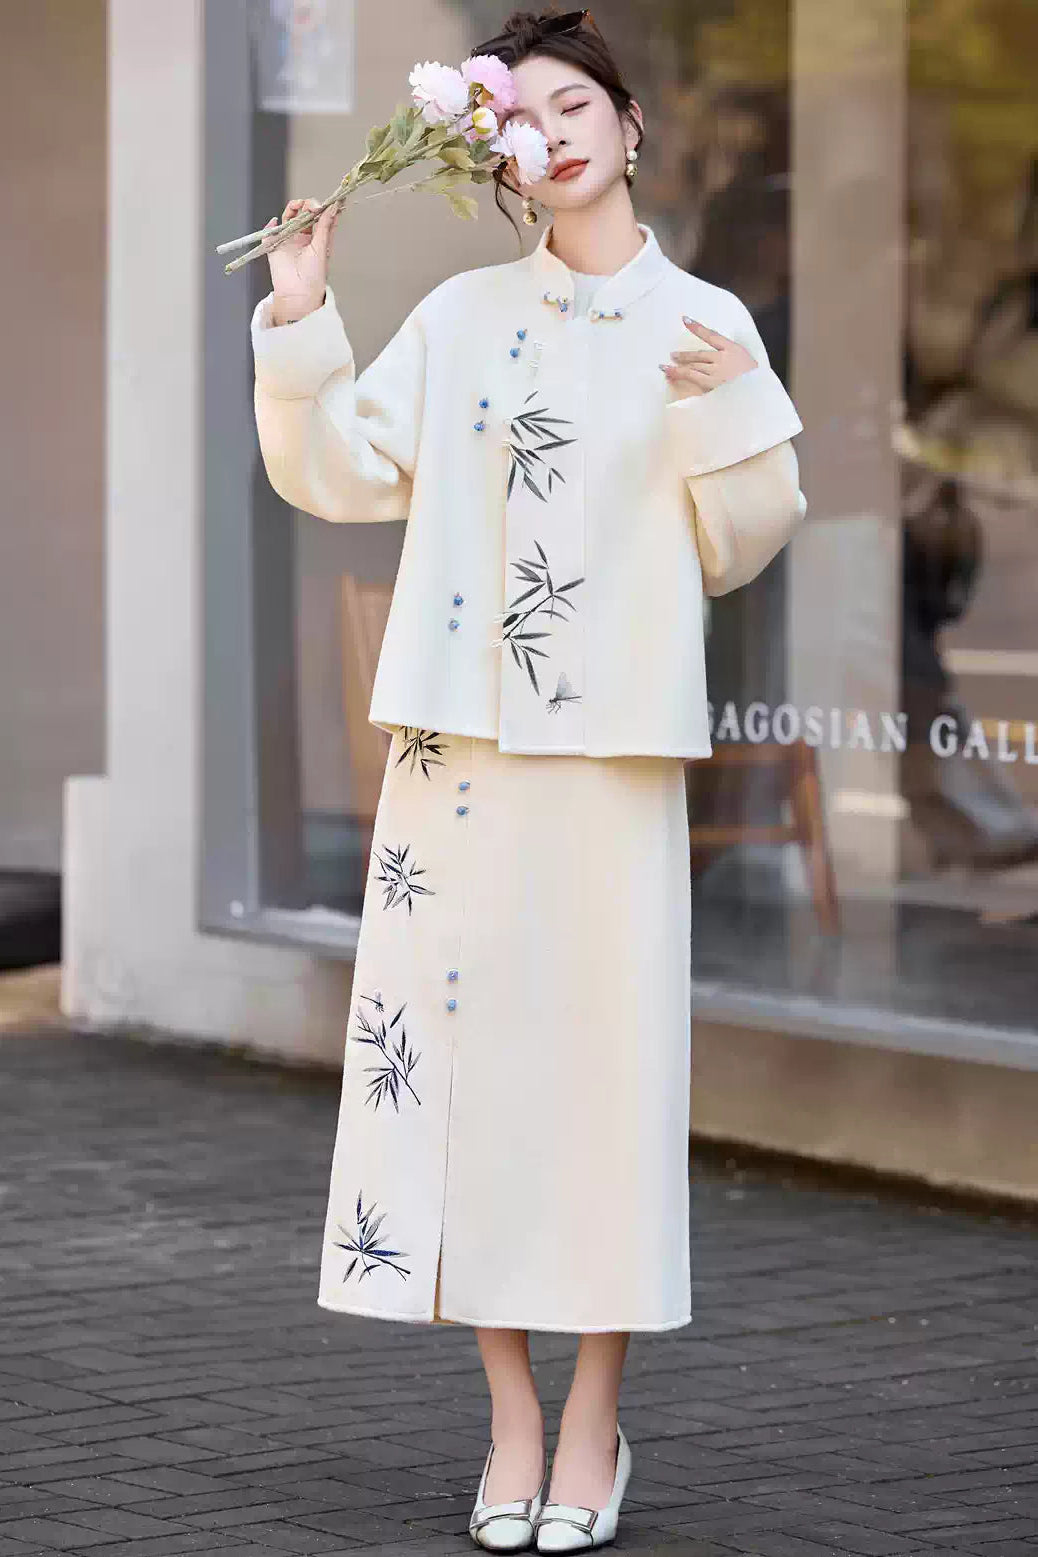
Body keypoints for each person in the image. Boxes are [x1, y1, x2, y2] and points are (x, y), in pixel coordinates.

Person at [249, 9, 805, 1550]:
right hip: (458, 760)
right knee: (468, 1083)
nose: (550, 133)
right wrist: (301, 319)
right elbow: (346, 472)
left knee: (605, 1089)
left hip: (611, 766)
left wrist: (729, 401)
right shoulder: (456, 316)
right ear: (493, 155)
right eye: (520, 116)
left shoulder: (703, 318)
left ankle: (594, 1423)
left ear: (629, 128)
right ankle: (510, 1422)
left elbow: (741, 539)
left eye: (576, 104)